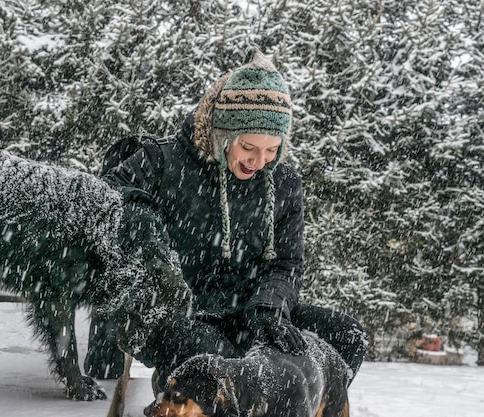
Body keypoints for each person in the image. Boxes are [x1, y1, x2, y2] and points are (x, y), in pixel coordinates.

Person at [89, 49, 367, 390]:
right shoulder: (163, 160)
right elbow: (104, 197)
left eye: (272, 149)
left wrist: (269, 306)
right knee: (221, 362)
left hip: (246, 311)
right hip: (173, 313)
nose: (260, 160)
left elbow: (287, 264)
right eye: (249, 147)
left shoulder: (285, 183)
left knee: (347, 336)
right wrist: (143, 224)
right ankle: (182, 390)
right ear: (223, 132)